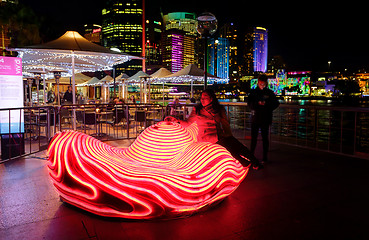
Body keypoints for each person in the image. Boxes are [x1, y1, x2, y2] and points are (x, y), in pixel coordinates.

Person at [166, 89, 263, 170]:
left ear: (211, 99)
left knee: (237, 145)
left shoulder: (219, 109)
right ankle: (245, 162)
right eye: (201, 98)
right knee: (228, 146)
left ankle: (254, 162)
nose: (202, 100)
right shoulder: (197, 110)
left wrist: (229, 135)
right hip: (206, 138)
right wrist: (176, 120)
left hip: (219, 136)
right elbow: (188, 123)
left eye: (205, 98)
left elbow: (225, 124)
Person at [248, 74, 280, 163]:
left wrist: (266, 105)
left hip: (265, 118)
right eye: (261, 84)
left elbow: (276, 103)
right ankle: (251, 156)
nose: (262, 85)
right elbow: (249, 104)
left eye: (263, 84)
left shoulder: (269, 93)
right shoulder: (253, 92)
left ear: (266, 83)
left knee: (264, 138)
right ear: (258, 82)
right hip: (256, 118)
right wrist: (257, 104)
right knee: (253, 138)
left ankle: (264, 157)